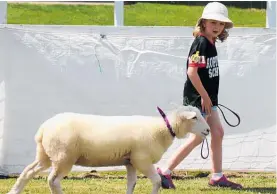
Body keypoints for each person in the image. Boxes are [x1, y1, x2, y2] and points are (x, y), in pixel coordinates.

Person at [157, 2, 243, 190]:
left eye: (221, 24)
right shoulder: (201, 43)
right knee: (197, 137)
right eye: (213, 22)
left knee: (218, 133)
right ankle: (165, 171)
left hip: (208, 100)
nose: (217, 27)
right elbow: (192, 73)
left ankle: (217, 176)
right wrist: (204, 96)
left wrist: (209, 98)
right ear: (203, 22)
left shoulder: (210, 42)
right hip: (198, 100)